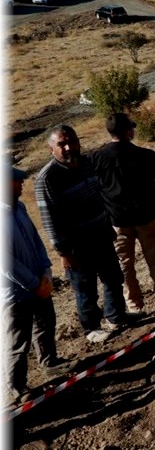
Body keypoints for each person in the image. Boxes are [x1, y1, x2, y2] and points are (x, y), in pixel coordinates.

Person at [34, 125, 130, 344]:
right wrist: (63, 252)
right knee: (85, 289)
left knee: (114, 277)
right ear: (52, 149)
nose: (68, 147)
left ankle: (117, 317)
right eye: (62, 144)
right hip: (77, 246)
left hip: (101, 235)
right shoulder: (47, 179)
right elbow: (50, 220)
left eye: (72, 141)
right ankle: (92, 328)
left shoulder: (88, 163)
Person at [91, 113, 155, 315]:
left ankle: (134, 306)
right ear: (129, 131)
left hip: (116, 220)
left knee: (124, 265)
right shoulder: (144, 155)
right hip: (147, 217)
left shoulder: (95, 159)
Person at [5, 166, 72, 401]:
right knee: (17, 342)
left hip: (38, 284)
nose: (21, 184)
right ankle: (17, 387)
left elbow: (36, 242)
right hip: (15, 293)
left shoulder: (20, 208)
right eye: (15, 181)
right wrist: (34, 283)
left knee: (45, 325)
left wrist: (46, 272)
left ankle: (50, 363)